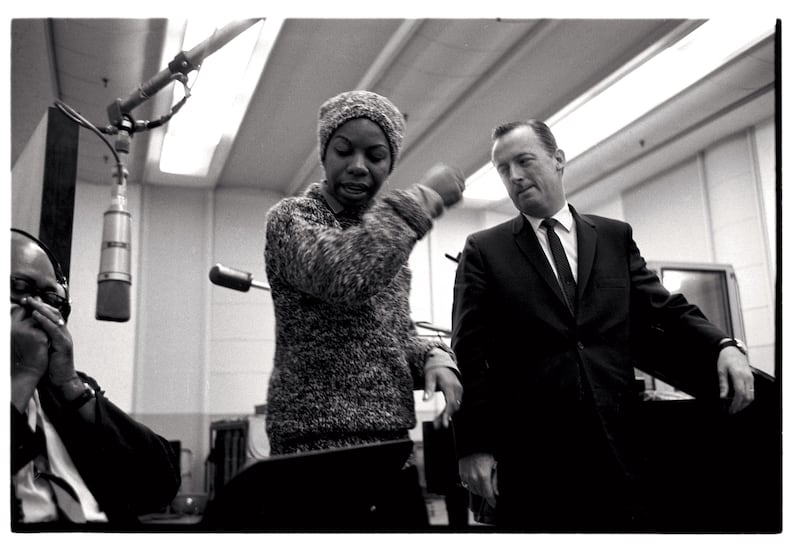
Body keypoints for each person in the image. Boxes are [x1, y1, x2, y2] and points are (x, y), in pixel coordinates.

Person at [451, 120, 755, 532]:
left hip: (620, 446)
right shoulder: (485, 249)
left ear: (558, 160)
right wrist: (473, 446)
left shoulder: (613, 236)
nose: (515, 176)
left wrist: (723, 344)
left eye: (524, 161)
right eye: (503, 169)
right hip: (535, 458)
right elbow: (469, 353)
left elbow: (664, 307)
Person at [262, 90, 464, 528]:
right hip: (314, 452)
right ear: (324, 153)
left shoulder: (389, 243)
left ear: (389, 164)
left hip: (391, 451)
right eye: (344, 150)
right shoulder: (293, 219)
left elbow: (393, 337)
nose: (358, 165)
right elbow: (342, 275)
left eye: (375, 156)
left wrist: (433, 356)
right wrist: (423, 200)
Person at [10, 228, 181, 528]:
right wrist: (23, 375)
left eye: (51, 297)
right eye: (20, 286)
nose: (39, 307)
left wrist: (71, 386)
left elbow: (161, 485)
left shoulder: (69, 389)